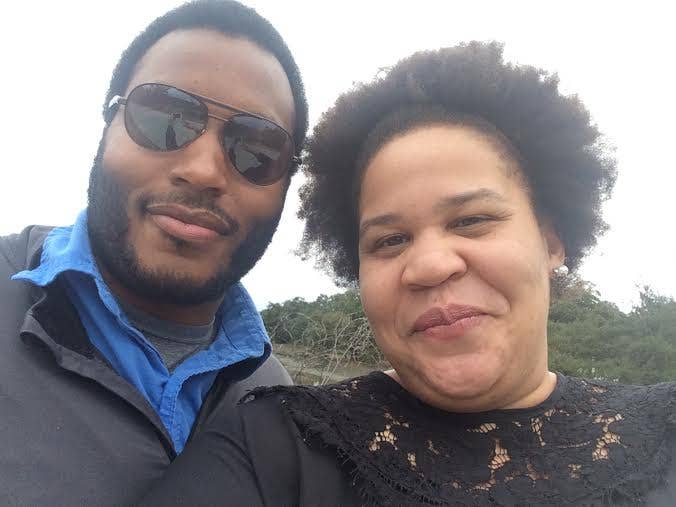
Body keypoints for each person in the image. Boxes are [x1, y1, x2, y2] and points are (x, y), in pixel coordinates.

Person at [141, 42, 675, 506]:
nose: (430, 266)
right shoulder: (273, 447)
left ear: (552, 242)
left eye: (471, 221)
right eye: (390, 240)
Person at [0, 0, 308, 505]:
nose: (204, 171)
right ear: (108, 123)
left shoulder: (277, 402)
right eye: (164, 116)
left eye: (258, 150)